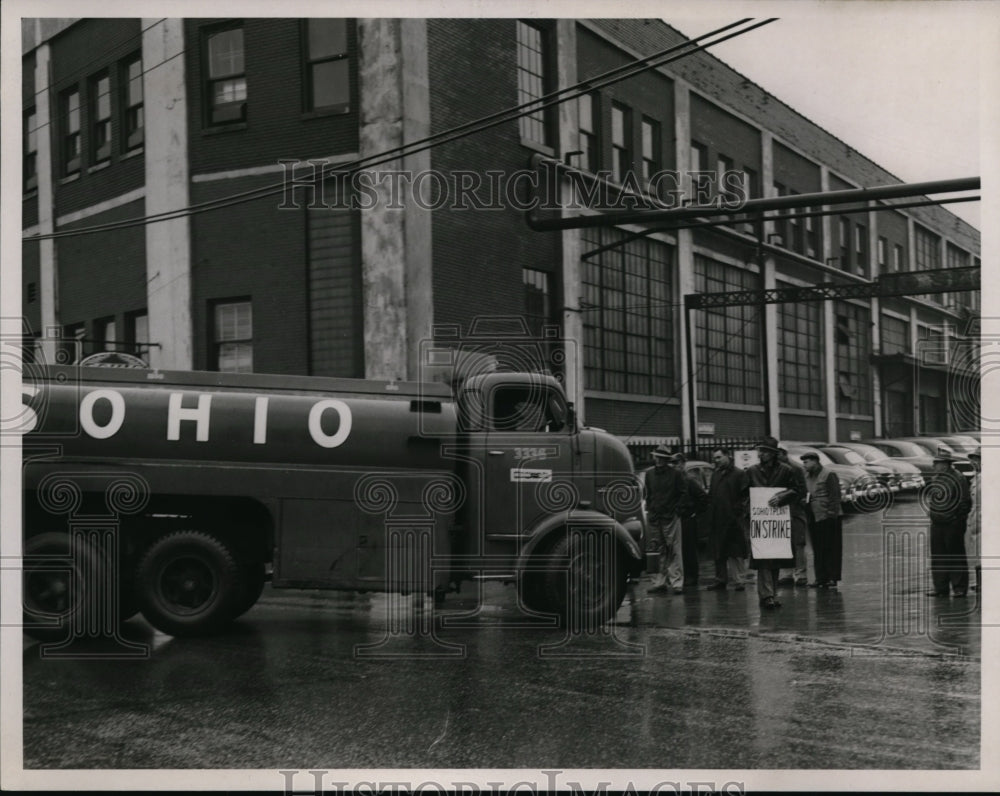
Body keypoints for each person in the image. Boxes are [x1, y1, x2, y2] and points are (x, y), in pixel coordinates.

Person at [745, 436, 802, 610]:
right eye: (759, 451)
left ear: (772, 454)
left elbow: (797, 490)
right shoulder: (751, 471)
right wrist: (749, 509)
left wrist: (783, 497)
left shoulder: (786, 470)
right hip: (760, 521)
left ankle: (772, 594)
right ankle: (767, 595)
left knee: (776, 558)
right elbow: (742, 494)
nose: (760, 454)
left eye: (764, 451)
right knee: (763, 559)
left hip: (778, 521)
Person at [925, 451, 972, 597]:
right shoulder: (935, 478)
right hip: (937, 522)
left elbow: (965, 502)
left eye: (937, 463)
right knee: (938, 556)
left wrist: (956, 518)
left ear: (945, 464)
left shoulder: (958, 478)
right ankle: (940, 587)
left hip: (953, 523)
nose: (934, 466)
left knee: (955, 555)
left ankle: (959, 587)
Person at [644, 445, 688, 595]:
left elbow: (683, 494)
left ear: (666, 459)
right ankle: (659, 582)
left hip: (670, 516)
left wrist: (677, 510)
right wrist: (650, 509)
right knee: (659, 549)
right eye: (657, 456)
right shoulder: (649, 474)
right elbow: (647, 494)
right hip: (656, 517)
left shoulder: (675, 474)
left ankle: (677, 582)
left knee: (674, 549)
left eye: (661, 457)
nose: (658, 459)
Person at [705, 447, 749, 591]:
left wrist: (738, 512)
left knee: (735, 551)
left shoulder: (739, 474)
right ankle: (720, 579)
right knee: (719, 551)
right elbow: (712, 495)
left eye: (718, 457)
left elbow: (745, 496)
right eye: (715, 458)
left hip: (733, 519)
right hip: (718, 518)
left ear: (727, 456)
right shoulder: (716, 474)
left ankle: (739, 580)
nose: (716, 460)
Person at [801, 450, 843, 588]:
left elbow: (835, 496)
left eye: (806, 462)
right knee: (818, 548)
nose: (804, 465)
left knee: (831, 548)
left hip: (828, 517)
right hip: (814, 516)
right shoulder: (807, 476)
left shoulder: (828, 474)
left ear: (815, 461)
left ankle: (832, 577)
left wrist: (831, 514)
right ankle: (821, 578)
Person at [673, 452, 709, 590]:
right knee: (678, 549)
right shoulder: (674, 481)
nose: (674, 466)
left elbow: (704, 498)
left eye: (676, 463)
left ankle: (692, 577)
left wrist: (695, 512)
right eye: (673, 463)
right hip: (677, 518)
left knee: (689, 549)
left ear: (682, 464)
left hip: (688, 518)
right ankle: (681, 576)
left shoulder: (689, 481)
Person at [776, 447, 810, 587]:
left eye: (778, 454)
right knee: (784, 542)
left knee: (798, 543)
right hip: (783, 510)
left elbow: (802, 490)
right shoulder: (778, 468)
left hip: (795, 511)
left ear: (784, 454)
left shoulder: (795, 469)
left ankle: (800, 574)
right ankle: (787, 574)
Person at [966, 450, 981, 593]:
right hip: (975, 519)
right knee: (977, 555)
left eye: (977, 460)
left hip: (984, 521)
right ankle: (979, 583)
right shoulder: (976, 478)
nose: (974, 463)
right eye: (972, 460)